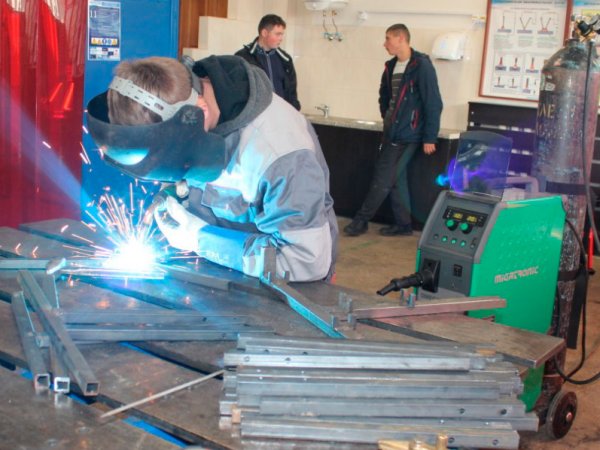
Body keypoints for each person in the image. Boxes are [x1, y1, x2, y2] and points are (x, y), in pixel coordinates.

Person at [87, 55, 337, 282]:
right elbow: (183, 168)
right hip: (217, 277)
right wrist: (171, 194)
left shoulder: (280, 154)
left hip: (282, 290)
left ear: (199, 113)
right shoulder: (185, 98)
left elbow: (306, 260)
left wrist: (200, 239)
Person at [343, 24, 443, 237]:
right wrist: (388, 118)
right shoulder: (391, 66)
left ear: (401, 39)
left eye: (388, 38)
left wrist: (430, 137)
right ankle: (403, 224)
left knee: (382, 177)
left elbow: (433, 102)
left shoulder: (421, 66)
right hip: (393, 132)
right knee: (396, 180)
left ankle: (361, 220)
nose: (385, 43)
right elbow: (385, 97)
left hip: (409, 134)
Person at [235, 14, 301, 110]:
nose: (281, 38)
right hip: (256, 115)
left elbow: (292, 94)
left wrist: (295, 111)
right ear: (264, 33)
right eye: (277, 34)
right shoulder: (243, 58)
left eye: (282, 34)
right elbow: (238, 92)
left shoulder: (285, 59)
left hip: (281, 114)